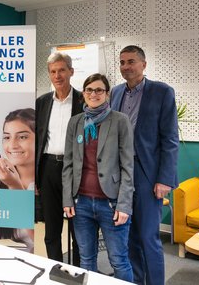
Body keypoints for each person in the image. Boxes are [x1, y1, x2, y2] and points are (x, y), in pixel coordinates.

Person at [110, 45, 179, 285]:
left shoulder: (162, 92)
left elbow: (170, 139)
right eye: (122, 62)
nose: (125, 67)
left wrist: (164, 179)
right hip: (120, 175)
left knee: (149, 237)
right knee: (128, 237)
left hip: (147, 174)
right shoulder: (116, 93)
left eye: (131, 61)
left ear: (143, 65)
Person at [62, 73, 134, 282]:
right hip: (81, 202)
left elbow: (128, 166)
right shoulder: (75, 122)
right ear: (84, 93)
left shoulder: (120, 121)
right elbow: (68, 163)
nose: (94, 94)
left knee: (119, 260)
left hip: (111, 205)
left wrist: (124, 205)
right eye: (89, 90)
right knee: (86, 259)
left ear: (107, 94)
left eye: (99, 90)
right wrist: (68, 199)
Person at [35, 52, 81, 265]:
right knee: (51, 227)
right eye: (53, 71)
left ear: (71, 71)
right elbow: (37, 140)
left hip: (75, 170)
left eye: (62, 70)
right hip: (48, 168)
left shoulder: (83, 100)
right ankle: (55, 267)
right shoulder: (42, 102)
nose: (57, 75)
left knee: (78, 227)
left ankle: (80, 269)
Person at [0, 108, 36, 251]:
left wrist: (15, 187)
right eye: (7, 137)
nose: (12, 145)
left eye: (22, 137)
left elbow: (40, 239)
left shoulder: (45, 183)